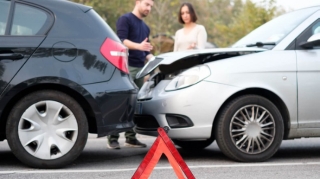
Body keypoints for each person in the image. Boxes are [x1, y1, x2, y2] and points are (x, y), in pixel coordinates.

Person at [107, 0, 154, 149]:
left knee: (134, 104)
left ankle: (130, 138)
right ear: (137, 2)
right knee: (120, 102)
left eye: (151, 6)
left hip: (140, 69)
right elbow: (121, 41)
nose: (149, 8)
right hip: (125, 67)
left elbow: (146, 51)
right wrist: (139, 46)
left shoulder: (146, 28)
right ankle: (112, 138)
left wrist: (153, 60)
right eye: (147, 4)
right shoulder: (125, 19)